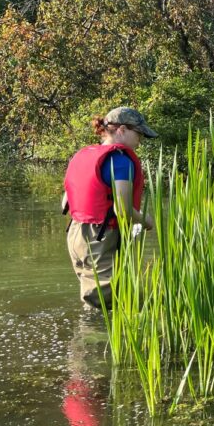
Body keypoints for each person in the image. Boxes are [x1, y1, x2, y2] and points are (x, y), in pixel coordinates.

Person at [62, 107, 158, 309]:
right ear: (122, 130)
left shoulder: (82, 156)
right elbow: (122, 210)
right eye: (138, 133)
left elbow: (65, 202)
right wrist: (146, 221)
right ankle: (94, 339)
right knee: (104, 305)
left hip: (75, 233)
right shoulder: (121, 162)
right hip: (101, 236)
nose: (140, 139)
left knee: (92, 294)